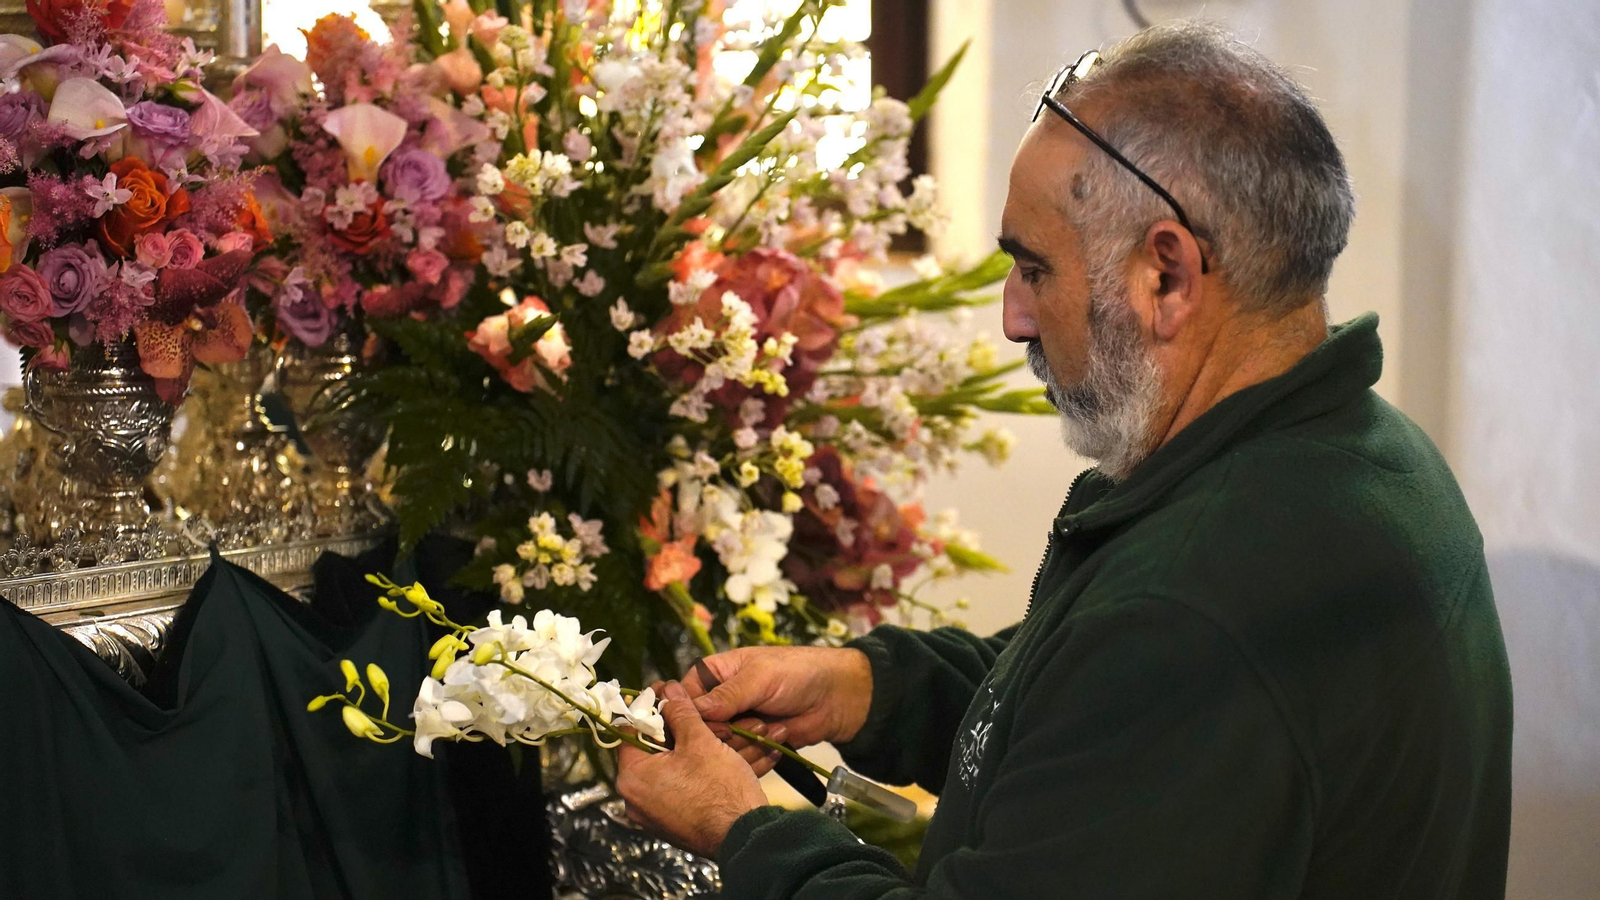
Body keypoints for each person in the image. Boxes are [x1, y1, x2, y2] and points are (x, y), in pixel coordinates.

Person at [617, 21, 1513, 899]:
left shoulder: (1198, 608)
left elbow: (1144, 673)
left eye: (1033, 268)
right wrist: (868, 689)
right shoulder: (1361, 453)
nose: (1012, 316)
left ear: (1166, 275)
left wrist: (743, 832)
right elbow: (1085, 702)